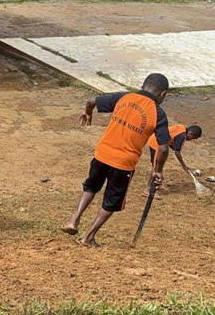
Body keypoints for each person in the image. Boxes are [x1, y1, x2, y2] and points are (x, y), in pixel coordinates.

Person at [61, 73, 172, 247]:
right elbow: (164, 148)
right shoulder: (158, 113)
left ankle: (73, 220)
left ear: (143, 86)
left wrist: (87, 113)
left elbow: (91, 101)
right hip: (123, 163)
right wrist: (158, 170)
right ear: (163, 94)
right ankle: (88, 237)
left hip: (102, 154)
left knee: (91, 186)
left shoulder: (124, 97)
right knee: (112, 201)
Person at [143, 124, 203, 198]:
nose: (190, 140)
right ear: (190, 133)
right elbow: (177, 151)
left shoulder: (181, 128)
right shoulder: (182, 135)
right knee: (155, 167)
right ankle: (147, 190)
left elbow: (172, 142)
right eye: (192, 138)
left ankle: (158, 185)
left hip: (161, 144)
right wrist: (184, 165)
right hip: (156, 144)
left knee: (160, 163)